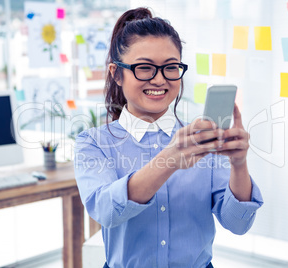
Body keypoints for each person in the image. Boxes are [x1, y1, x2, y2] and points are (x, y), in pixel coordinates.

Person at [74, 7, 263, 268]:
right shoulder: (93, 143)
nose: (159, 79)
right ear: (116, 74)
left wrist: (239, 164)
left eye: (170, 67)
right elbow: (106, 211)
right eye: (144, 67)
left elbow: (238, 223)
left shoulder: (201, 140)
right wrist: (170, 159)